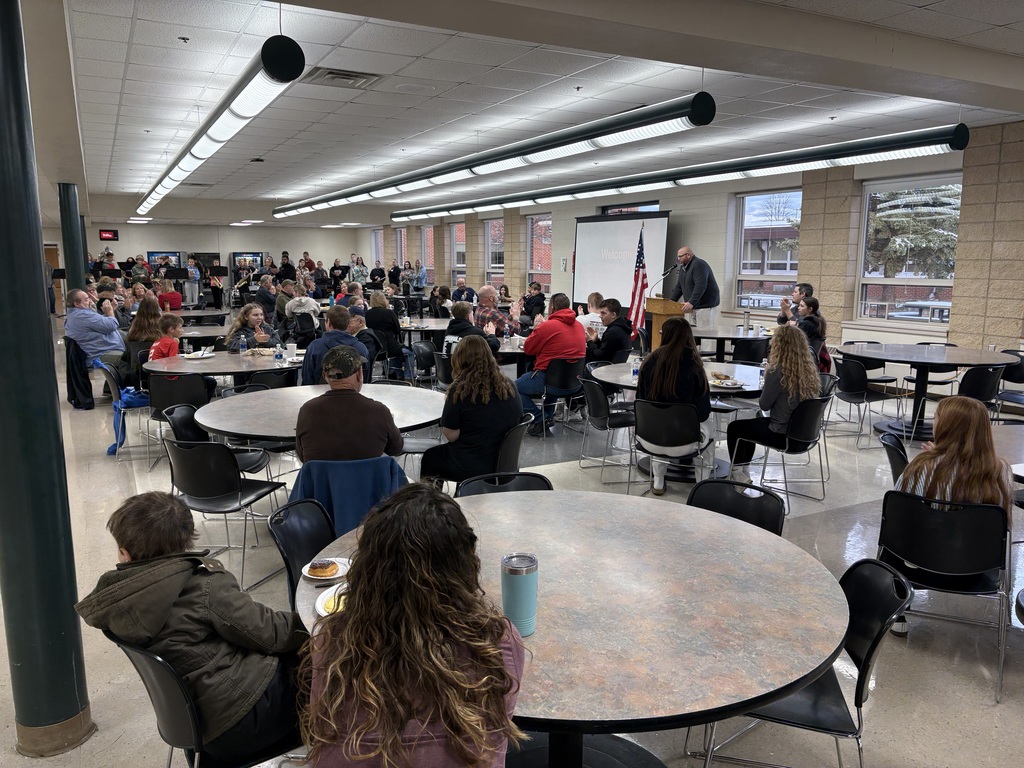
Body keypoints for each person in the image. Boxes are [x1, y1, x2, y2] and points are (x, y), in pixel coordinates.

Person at [301, 483, 525, 768]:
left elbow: (324, 735)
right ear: (465, 564)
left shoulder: (332, 642)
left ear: (366, 570)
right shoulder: (497, 644)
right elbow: (497, 733)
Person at [75, 492, 306, 764]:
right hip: (244, 718)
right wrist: (321, 621)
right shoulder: (205, 587)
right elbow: (274, 634)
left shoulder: (122, 605)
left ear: (125, 555)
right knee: (331, 661)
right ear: (188, 538)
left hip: (195, 729)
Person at [890, 395, 1014, 637]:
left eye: (936, 418)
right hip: (977, 572)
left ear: (946, 426)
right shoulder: (1001, 473)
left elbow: (898, 520)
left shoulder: (919, 468)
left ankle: (898, 612)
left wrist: (934, 461)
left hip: (919, 566)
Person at [421, 335, 524, 483]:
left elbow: (451, 435)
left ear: (459, 360)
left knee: (431, 457)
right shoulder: (508, 385)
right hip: (506, 466)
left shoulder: (461, 390)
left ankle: (432, 498)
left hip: (471, 466)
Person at [726, 324, 820, 483]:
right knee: (750, 426)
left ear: (778, 345)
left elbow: (764, 405)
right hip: (806, 435)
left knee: (735, 428)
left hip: (783, 435)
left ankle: (737, 473)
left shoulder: (777, 371)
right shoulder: (808, 371)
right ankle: (743, 472)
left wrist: (768, 376)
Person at [636, 317, 712, 495]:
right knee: (709, 427)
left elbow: (641, 402)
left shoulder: (649, 361)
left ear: (664, 335)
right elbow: (703, 413)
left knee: (659, 422)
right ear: (689, 336)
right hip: (685, 444)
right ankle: (701, 487)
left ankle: (658, 481)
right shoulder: (694, 364)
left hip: (649, 440)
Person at [294, 346, 403, 463]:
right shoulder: (378, 411)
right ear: (359, 374)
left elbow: (302, 455)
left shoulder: (307, 411)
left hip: (320, 476)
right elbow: (396, 449)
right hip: (366, 475)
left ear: (325, 376)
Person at [516, 292, 586, 436]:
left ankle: (540, 418)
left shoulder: (547, 327)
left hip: (549, 380)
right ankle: (547, 417)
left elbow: (528, 349)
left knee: (512, 388)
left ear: (552, 308)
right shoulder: (579, 326)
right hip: (574, 383)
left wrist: (536, 329)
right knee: (553, 376)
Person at [64, 288, 128, 375]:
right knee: (133, 358)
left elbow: (99, 323)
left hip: (104, 349)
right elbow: (112, 325)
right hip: (102, 354)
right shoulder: (82, 315)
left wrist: (110, 312)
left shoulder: (75, 314)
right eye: (86, 299)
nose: (90, 301)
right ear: (77, 304)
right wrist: (110, 312)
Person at [302, 306, 369, 386]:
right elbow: (366, 381)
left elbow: (307, 380)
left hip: (320, 392)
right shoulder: (361, 348)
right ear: (348, 323)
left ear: (328, 322)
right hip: (353, 392)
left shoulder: (314, 347)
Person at [365, 291, 414, 379]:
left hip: (374, 348)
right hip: (390, 348)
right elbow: (398, 330)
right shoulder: (389, 313)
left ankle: (394, 373)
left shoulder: (367, 314)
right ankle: (408, 378)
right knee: (409, 352)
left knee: (397, 351)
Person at [669, 246, 720, 326]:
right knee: (692, 332)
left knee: (704, 332)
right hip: (693, 306)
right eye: (678, 257)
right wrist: (671, 302)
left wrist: (691, 302)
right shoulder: (683, 267)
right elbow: (679, 287)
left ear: (688, 255)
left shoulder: (699, 265)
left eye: (680, 256)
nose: (678, 259)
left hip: (704, 307)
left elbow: (700, 286)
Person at [790, 295, 831, 372]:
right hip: (812, 359)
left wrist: (792, 328)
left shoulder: (806, 324)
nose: (798, 308)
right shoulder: (818, 321)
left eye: (802, 306)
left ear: (810, 309)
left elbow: (795, 342)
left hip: (802, 358)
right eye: (799, 305)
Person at [584, 298, 633, 363]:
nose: (600, 316)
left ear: (613, 315)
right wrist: (596, 341)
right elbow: (606, 350)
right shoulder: (622, 328)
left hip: (605, 367)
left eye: (603, 313)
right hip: (616, 366)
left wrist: (589, 341)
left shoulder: (613, 332)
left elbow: (599, 356)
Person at [346, 313, 379, 378]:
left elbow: (362, 362)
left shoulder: (366, 339)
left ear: (360, 322)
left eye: (350, 322)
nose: (346, 325)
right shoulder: (359, 335)